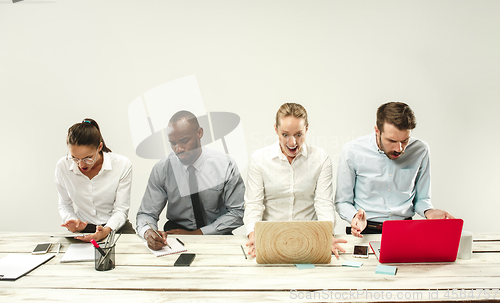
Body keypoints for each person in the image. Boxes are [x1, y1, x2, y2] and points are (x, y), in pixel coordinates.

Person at [335, 102, 454, 237]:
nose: (399, 149)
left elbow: (422, 198)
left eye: (405, 140)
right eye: (391, 140)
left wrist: (428, 211)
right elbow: (342, 202)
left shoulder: (420, 150)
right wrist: (355, 217)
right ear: (377, 131)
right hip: (365, 230)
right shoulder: (352, 151)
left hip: (406, 230)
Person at [244, 103, 347, 258]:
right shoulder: (259, 159)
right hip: (270, 239)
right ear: (275, 129)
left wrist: (327, 235)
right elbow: (254, 204)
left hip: (311, 240)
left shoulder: (320, 158)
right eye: (285, 134)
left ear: (306, 129)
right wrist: (253, 235)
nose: (292, 143)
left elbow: (324, 202)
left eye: (299, 134)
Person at [136, 110, 245, 251]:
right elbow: (146, 214)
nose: (178, 149)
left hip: (217, 235)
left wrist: (198, 234)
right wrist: (148, 232)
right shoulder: (162, 169)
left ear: (200, 133)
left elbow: (238, 212)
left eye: (184, 141)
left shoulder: (225, 165)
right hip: (176, 237)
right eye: (173, 143)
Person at [55, 119, 134, 242]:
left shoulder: (122, 165)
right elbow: (64, 204)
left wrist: (106, 230)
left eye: (87, 158)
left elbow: (121, 210)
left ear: (100, 147)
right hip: (83, 228)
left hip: (115, 227)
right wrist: (72, 220)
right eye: (75, 158)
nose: (81, 165)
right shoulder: (63, 166)